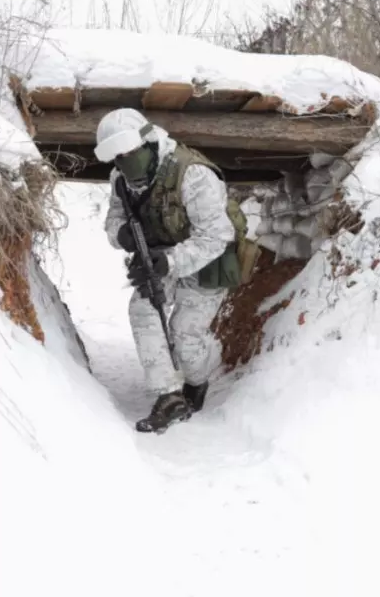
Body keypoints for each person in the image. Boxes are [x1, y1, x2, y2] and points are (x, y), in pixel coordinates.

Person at [94, 107, 260, 433]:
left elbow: (216, 236)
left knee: (185, 334)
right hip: (161, 258)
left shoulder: (193, 175)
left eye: (129, 155)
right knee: (143, 310)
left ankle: (197, 382)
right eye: (118, 159)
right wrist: (122, 235)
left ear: (148, 144)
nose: (124, 164)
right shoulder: (121, 180)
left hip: (209, 260)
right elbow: (114, 219)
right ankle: (169, 396)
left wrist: (170, 262)